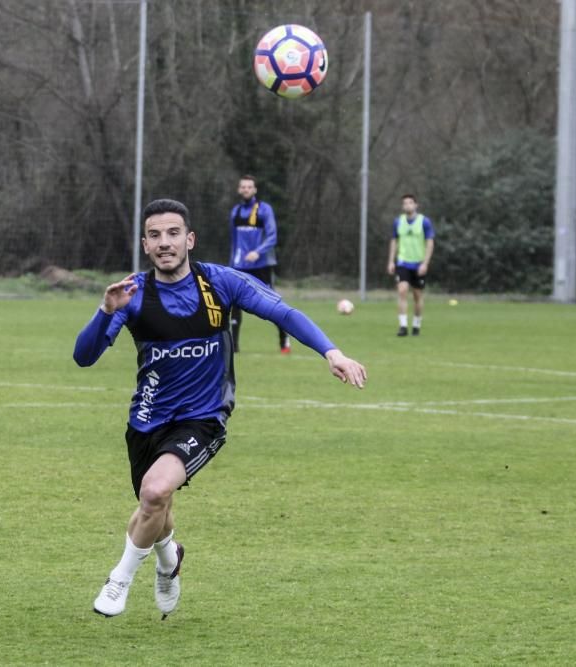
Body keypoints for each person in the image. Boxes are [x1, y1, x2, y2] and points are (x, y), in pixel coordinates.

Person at [73, 198, 366, 619]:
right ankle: (169, 561)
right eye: (155, 235)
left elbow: (281, 311)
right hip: (147, 419)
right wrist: (105, 312)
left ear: (189, 239)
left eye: (173, 233)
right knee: (157, 507)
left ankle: (118, 580)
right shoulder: (132, 295)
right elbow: (84, 356)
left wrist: (331, 352)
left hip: (204, 417)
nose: (165, 242)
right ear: (145, 244)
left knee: (155, 492)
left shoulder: (220, 283)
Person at [228, 175, 289, 353]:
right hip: (239, 266)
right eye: (243, 187)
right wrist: (232, 263)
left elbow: (272, 236)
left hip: (261, 265)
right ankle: (234, 347)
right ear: (239, 190)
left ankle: (284, 341)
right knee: (234, 305)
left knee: (272, 303)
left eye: (249, 187)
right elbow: (234, 240)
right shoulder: (236, 211)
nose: (246, 189)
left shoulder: (264, 210)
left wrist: (258, 252)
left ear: (255, 190)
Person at [386, 194, 435, 336]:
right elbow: (394, 241)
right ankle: (402, 326)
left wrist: (425, 263)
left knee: (417, 296)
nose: (407, 206)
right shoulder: (398, 222)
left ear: (416, 205)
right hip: (402, 263)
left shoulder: (424, 222)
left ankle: (416, 325)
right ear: (402, 206)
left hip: (419, 264)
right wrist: (391, 261)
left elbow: (430, 243)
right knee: (402, 290)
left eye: (410, 203)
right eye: (405, 203)